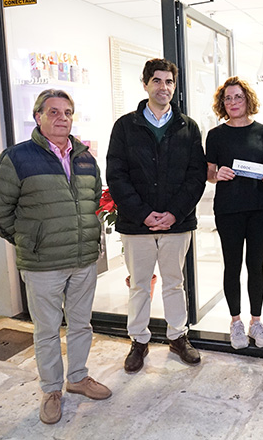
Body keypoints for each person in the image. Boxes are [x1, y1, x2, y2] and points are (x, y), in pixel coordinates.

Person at [0, 89, 111, 425]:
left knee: (81, 323)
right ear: (38, 116)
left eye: (67, 112)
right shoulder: (18, 158)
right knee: (47, 330)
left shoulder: (85, 158)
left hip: (83, 259)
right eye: (53, 112)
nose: (61, 118)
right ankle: (52, 390)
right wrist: (30, 241)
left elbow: (93, 202)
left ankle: (78, 377)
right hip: (43, 264)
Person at [106, 58, 206, 372]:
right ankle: (139, 341)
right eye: (157, 81)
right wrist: (143, 213)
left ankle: (178, 337)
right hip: (137, 225)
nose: (164, 87)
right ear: (146, 84)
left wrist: (174, 213)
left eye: (169, 82)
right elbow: (116, 175)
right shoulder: (125, 126)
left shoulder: (188, 127)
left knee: (174, 283)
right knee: (139, 284)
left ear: (174, 87)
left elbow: (196, 176)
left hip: (177, 224)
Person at [206, 76, 263, 350]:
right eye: (228, 98)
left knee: (256, 266)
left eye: (238, 97)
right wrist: (217, 174)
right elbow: (209, 173)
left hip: (259, 208)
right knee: (232, 265)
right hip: (228, 209)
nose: (233, 102)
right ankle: (235, 322)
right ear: (222, 104)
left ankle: (255, 322)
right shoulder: (215, 135)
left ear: (247, 100)